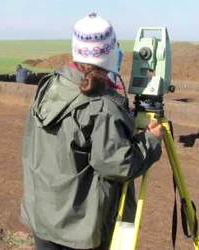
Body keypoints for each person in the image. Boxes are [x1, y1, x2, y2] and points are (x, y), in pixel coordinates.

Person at [21, 13, 163, 250]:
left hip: (44, 218)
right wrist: (151, 141)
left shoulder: (50, 85)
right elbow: (117, 164)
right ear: (109, 53)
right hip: (78, 231)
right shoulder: (102, 106)